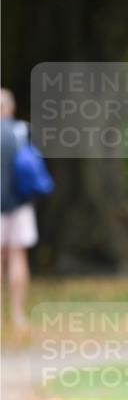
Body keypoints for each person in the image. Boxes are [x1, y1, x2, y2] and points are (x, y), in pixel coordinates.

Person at [0, 88, 38, 334]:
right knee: (17, 256)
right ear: (11, 108)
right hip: (20, 202)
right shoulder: (22, 131)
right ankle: (17, 315)